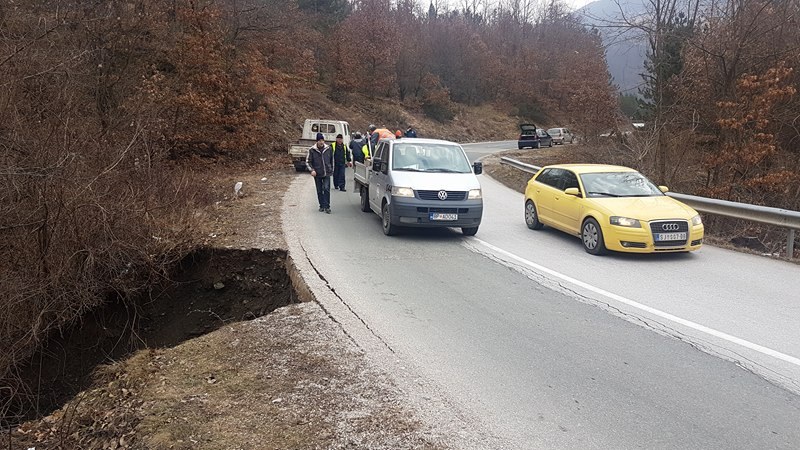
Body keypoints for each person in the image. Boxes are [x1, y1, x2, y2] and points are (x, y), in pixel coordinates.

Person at [306, 132, 333, 213]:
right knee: (319, 190)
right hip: (317, 173)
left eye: (322, 140)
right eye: (320, 140)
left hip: (327, 172)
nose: (321, 142)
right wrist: (312, 170)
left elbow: (332, 160)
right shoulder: (312, 150)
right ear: (317, 141)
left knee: (326, 188)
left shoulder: (328, 149)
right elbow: (308, 162)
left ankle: (327, 207)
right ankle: (321, 205)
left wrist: (332, 169)